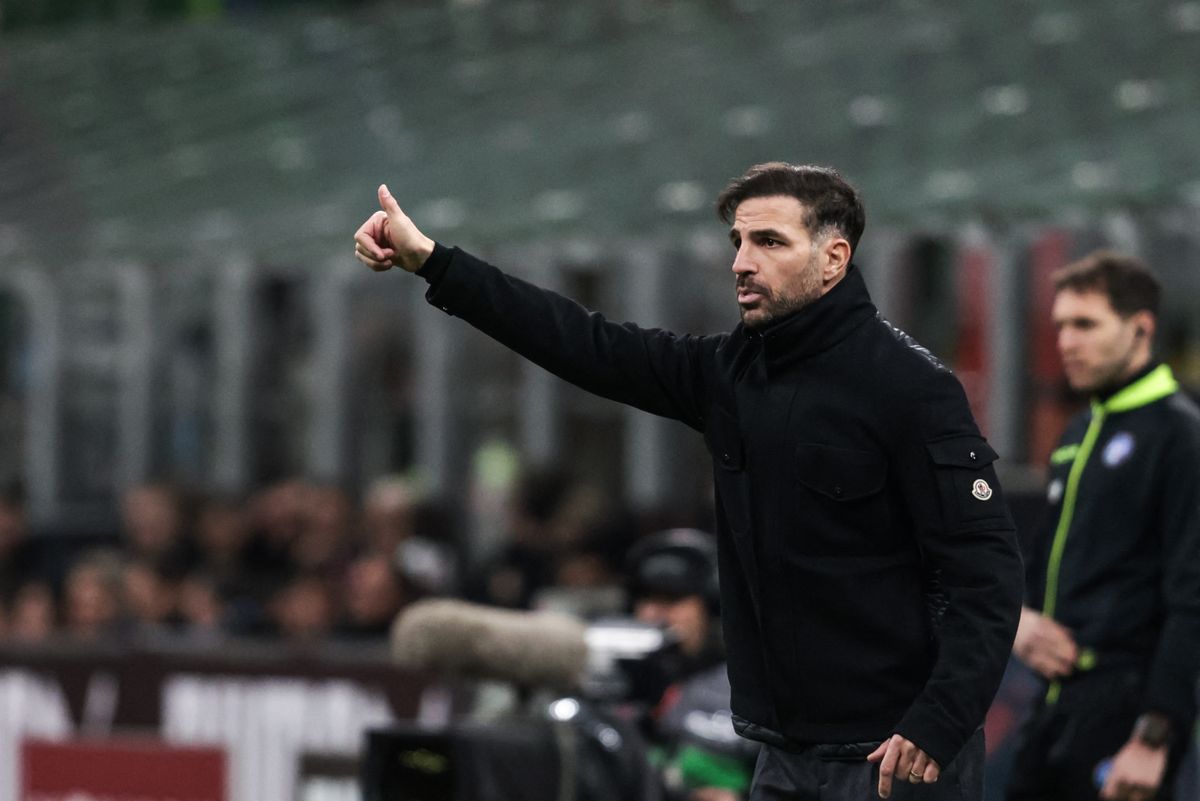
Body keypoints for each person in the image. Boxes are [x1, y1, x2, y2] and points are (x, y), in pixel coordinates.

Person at [353, 162, 1024, 800]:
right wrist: (433, 262)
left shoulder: (911, 388)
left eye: (768, 241)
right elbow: (584, 343)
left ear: (833, 260)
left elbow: (987, 576)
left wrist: (936, 722)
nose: (741, 261)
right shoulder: (731, 373)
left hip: (893, 755)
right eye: (737, 242)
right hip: (785, 752)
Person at [1007, 251, 1200, 801]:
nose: (1067, 341)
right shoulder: (1078, 432)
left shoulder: (1180, 436)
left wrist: (1155, 737)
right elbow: (1039, 567)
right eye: (1061, 325)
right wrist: (1018, 622)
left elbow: (1193, 596)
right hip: (1054, 707)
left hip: (1128, 720)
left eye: (1086, 324)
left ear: (1141, 328)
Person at [627, 528, 758, 801]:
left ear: (711, 608)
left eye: (672, 599)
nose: (652, 614)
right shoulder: (616, 684)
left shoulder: (747, 689)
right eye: (646, 598)